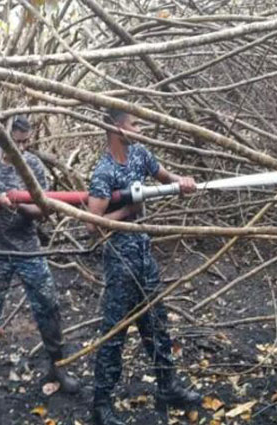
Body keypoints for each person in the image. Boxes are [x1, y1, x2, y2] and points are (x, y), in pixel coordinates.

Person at [86, 109, 201, 425]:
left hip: (144, 256)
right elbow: (93, 225)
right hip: (120, 261)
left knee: (157, 324)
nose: (139, 129)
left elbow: (166, 178)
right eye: (134, 124)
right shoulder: (104, 172)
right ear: (115, 128)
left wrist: (183, 182)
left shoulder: (140, 154)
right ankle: (101, 405)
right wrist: (126, 211)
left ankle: (168, 388)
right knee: (114, 332)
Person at [0, 116, 80, 403]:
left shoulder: (33, 166)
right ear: (2, 137)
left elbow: (44, 209)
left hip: (28, 249)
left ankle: (57, 368)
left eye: (26, 142)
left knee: (48, 305)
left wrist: (21, 207)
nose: (21, 147)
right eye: (16, 141)